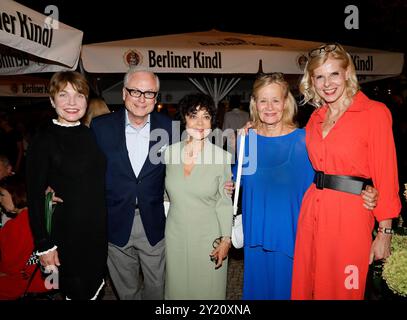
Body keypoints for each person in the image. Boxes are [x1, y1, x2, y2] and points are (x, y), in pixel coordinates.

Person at [236, 73, 378, 300]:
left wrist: (365, 188)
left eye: (276, 100)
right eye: (263, 100)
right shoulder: (246, 141)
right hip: (255, 243)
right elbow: (238, 182)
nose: (269, 107)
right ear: (255, 104)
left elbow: (334, 172)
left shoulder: (305, 140)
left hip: (291, 242)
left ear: (286, 103)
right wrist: (227, 185)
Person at [291, 43, 401, 300]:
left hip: (350, 214)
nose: (327, 83)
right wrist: (256, 129)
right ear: (312, 81)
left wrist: (384, 232)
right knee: (309, 285)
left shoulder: (374, 113)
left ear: (347, 74)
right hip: (312, 210)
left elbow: (386, 173)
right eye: (319, 76)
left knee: (344, 288)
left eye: (334, 74)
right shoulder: (316, 117)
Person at [90, 67, 172, 300]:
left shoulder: (168, 127)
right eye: (135, 91)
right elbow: (85, 168)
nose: (141, 99)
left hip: (154, 221)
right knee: (126, 290)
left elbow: (189, 159)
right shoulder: (100, 127)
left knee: (158, 288)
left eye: (149, 93)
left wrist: (220, 182)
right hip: (114, 220)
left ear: (155, 98)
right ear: (124, 93)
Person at [26, 71, 107, 300]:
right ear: (52, 100)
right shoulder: (43, 140)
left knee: (93, 290)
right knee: (74, 291)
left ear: (86, 100)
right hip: (65, 237)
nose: (72, 103)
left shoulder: (92, 135)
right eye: (64, 95)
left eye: (79, 95)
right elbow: (33, 198)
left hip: (96, 236)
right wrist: (44, 245)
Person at [164, 93, 233, 299]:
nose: (200, 122)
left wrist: (225, 240)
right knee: (177, 290)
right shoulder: (168, 154)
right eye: (193, 115)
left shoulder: (221, 157)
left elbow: (224, 201)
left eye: (206, 116)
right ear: (184, 119)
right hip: (175, 235)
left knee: (207, 291)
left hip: (209, 237)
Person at [0, 176, 50, 299]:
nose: (0, 199)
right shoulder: (39, 214)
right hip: (50, 277)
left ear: (16, 194)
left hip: (34, 281)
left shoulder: (18, 224)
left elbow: (10, 267)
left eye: (2, 195)